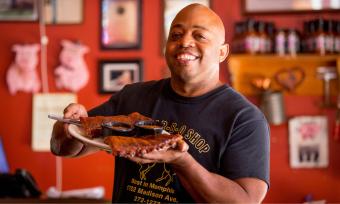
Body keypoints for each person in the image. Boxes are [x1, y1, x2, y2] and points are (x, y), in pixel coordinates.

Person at [50, 3, 270, 203]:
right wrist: (68, 125)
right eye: (176, 35)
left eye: (199, 36)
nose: (184, 42)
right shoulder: (132, 98)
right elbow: (65, 148)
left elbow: (246, 200)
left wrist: (184, 162)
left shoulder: (243, 118)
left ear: (222, 52)